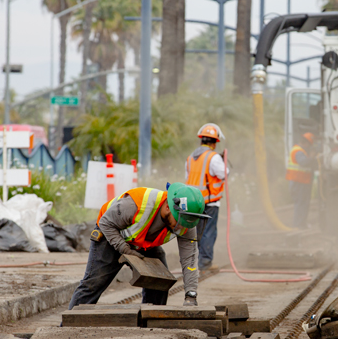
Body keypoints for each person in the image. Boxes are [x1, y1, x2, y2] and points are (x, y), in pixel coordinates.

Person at [68, 182, 210, 308]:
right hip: (110, 234)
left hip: (142, 242)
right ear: (168, 207)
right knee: (93, 284)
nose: (183, 226)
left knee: (160, 282)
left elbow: (189, 259)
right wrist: (125, 249)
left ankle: (150, 325)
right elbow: (106, 223)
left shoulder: (187, 220)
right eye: (181, 220)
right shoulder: (135, 205)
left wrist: (191, 295)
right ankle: (69, 327)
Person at [186, 123, 227, 272]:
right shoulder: (213, 157)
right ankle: (204, 262)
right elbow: (224, 174)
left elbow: (188, 177)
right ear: (215, 142)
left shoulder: (191, 157)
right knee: (208, 232)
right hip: (209, 202)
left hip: (192, 202)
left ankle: (192, 262)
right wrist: (224, 162)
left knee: (195, 232)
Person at [287, 132, 316, 228]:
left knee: (303, 204)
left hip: (302, 182)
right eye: (309, 145)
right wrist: (312, 157)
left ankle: (301, 224)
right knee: (300, 204)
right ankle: (298, 225)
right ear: (306, 143)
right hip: (298, 182)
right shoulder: (298, 151)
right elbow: (303, 162)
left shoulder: (300, 151)